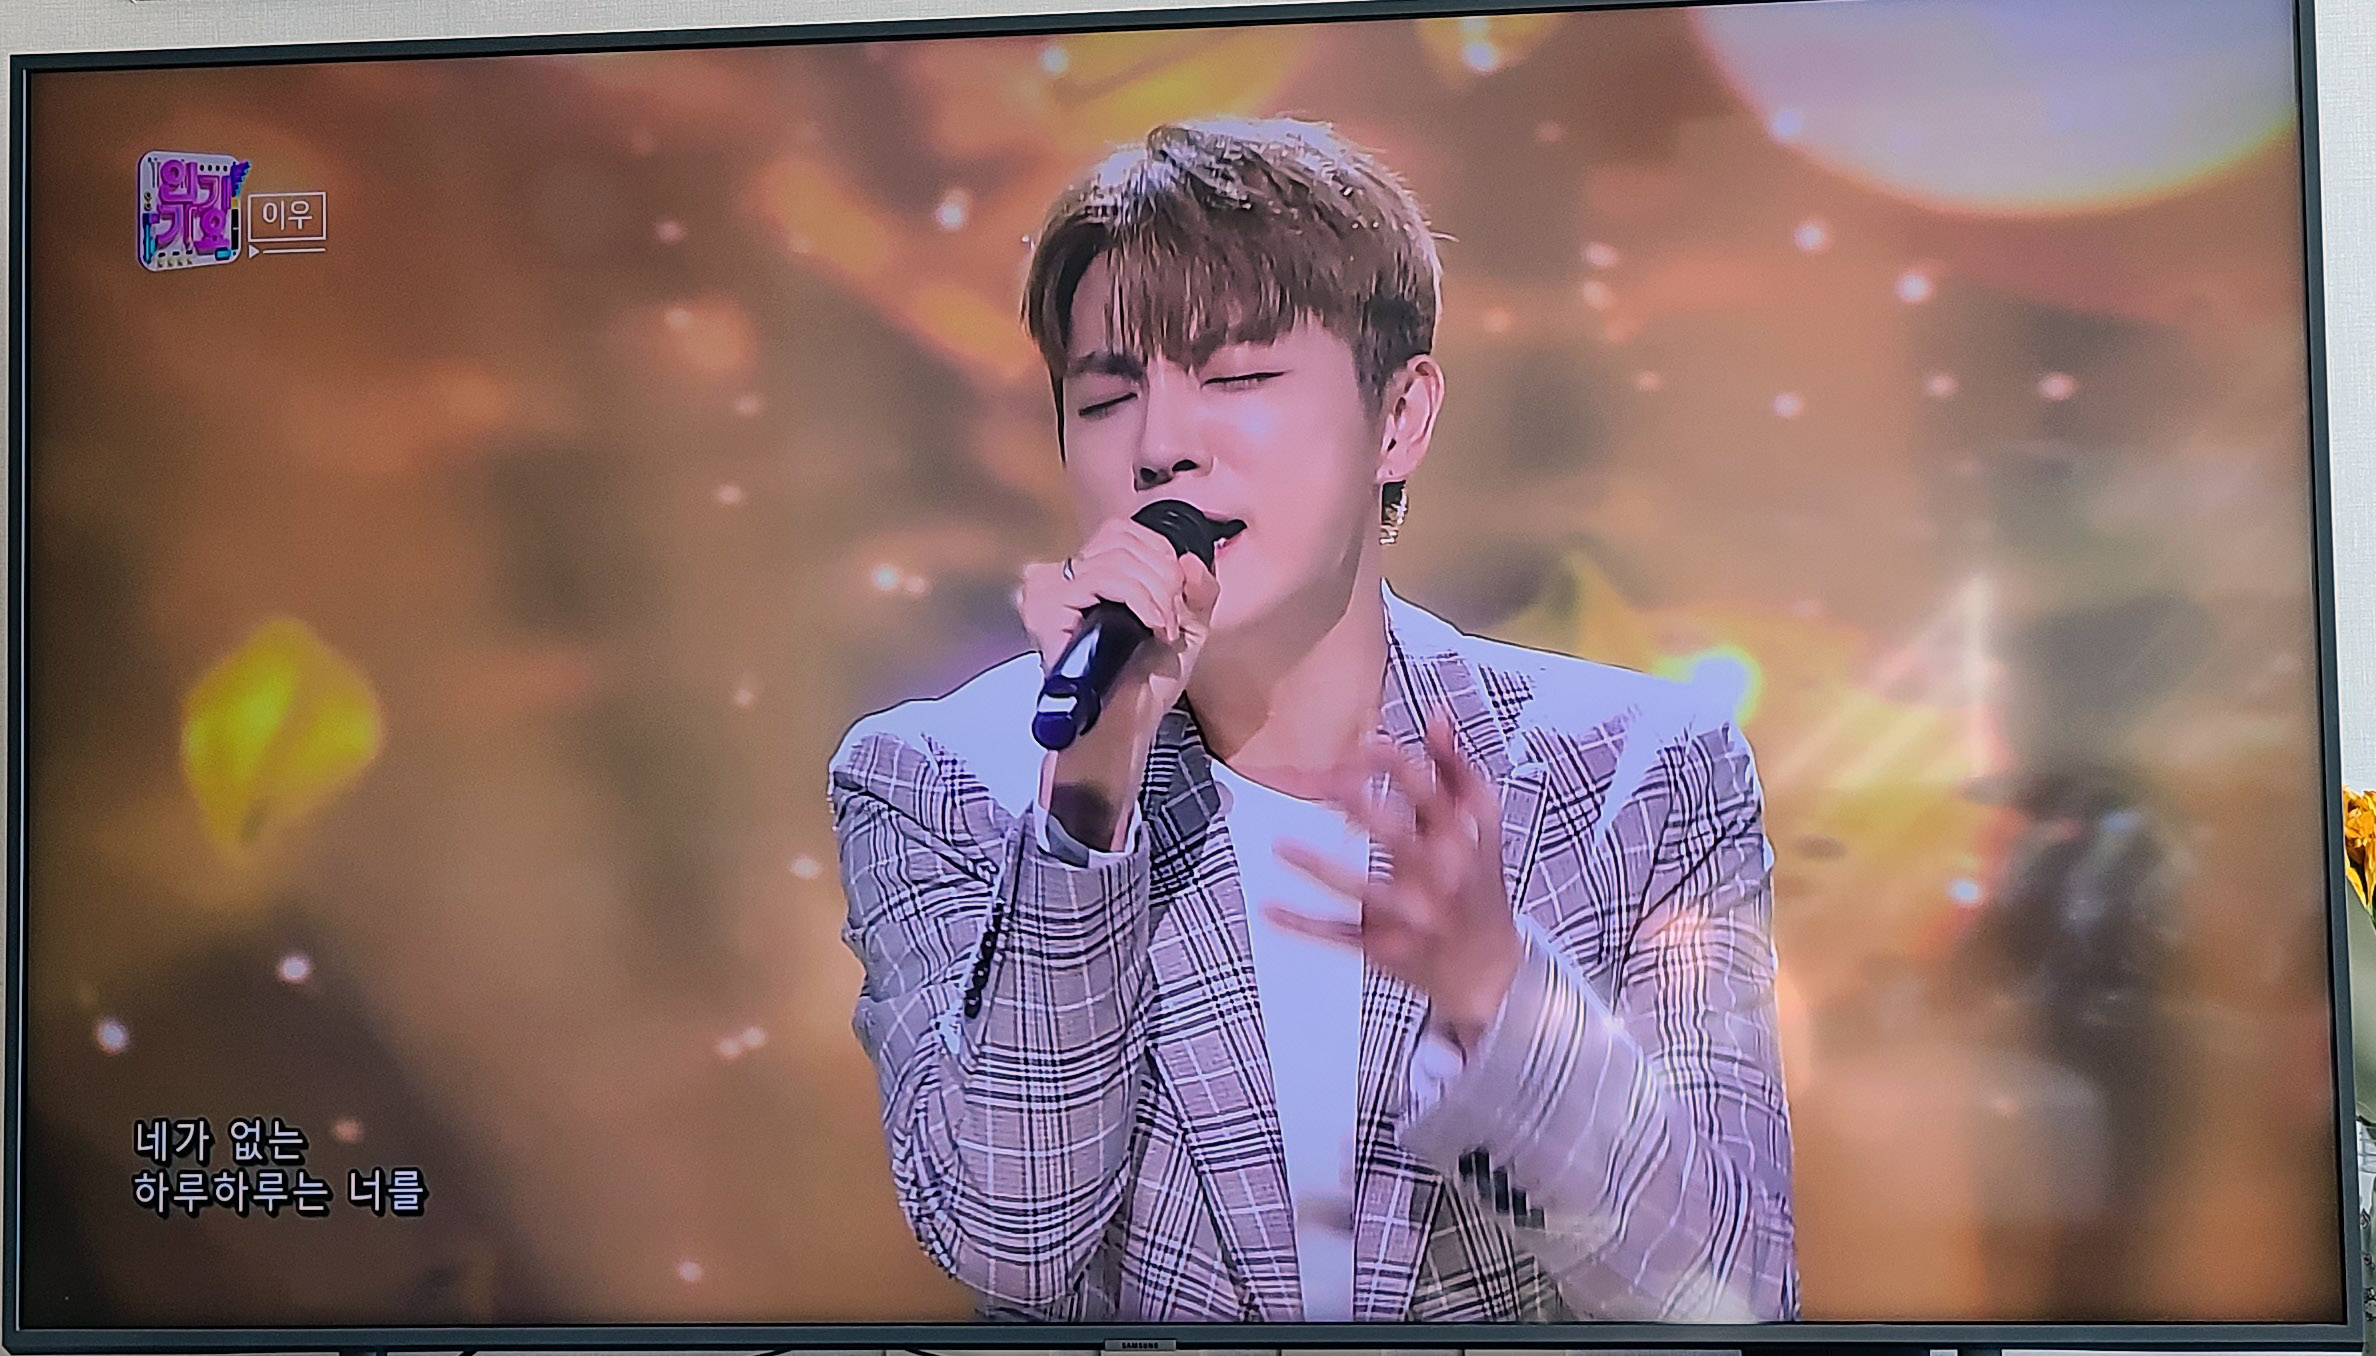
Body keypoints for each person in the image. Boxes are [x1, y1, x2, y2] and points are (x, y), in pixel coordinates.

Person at [830, 117, 1796, 1323]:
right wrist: (1087, 801)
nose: (1162, 449)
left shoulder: (1638, 778)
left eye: (1236, 379)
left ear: (1399, 418)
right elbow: (1012, 1240)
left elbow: (1728, 1294)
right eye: (1109, 397)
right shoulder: (939, 781)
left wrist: (1499, 996)